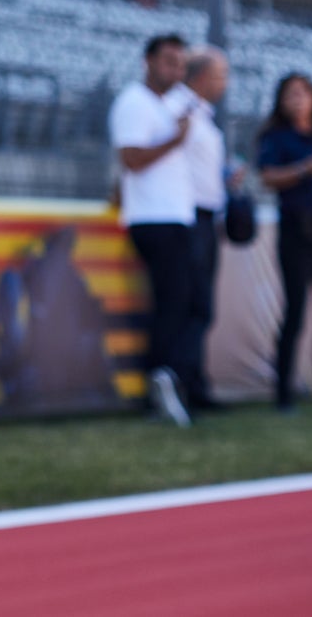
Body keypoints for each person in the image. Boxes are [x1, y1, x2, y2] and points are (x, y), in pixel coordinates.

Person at [109, 33, 197, 427]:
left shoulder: (172, 102)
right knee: (171, 304)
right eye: (168, 61)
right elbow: (131, 159)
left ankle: (168, 381)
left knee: (180, 304)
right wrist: (174, 140)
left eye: (180, 63)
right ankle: (159, 384)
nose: (175, 70)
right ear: (148, 61)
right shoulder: (133, 102)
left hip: (175, 216)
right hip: (153, 220)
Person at [255, 72, 312, 412]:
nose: (299, 99)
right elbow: (268, 177)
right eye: (291, 94)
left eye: (304, 92)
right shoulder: (277, 138)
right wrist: (305, 168)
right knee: (296, 312)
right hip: (296, 234)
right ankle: (283, 392)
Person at [179, 48, 229, 409]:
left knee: (201, 306)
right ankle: (187, 387)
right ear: (200, 77)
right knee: (193, 306)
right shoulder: (179, 111)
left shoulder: (202, 115)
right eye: (219, 74)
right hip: (189, 217)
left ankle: (194, 383)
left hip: (206, 217)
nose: (224, 83)